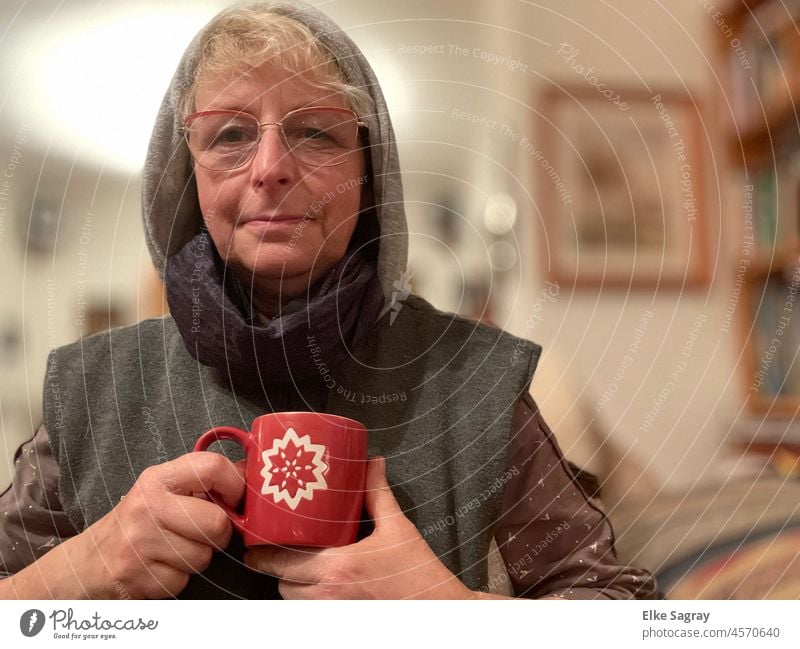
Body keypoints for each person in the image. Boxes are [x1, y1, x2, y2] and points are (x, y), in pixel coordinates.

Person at [0, 0, 656, 600]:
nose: (270, 166)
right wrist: (85, 565)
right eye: (229, 134)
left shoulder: (475, 380)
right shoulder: (91, 390)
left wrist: (448, 614)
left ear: (370, 175)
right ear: (185, 171)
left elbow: (626, 610)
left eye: (316, 132)